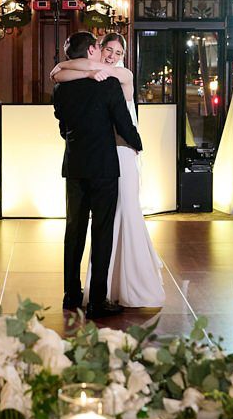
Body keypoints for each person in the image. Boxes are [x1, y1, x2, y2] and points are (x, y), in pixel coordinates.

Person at [50, 32, 165, 308]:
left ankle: (71, 294)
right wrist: (138, 144)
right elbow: (124, 124)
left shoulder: (62, 87)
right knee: (102, 231)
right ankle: (97, 301)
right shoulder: (108, 85)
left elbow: (62, 124)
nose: (110, 55)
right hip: (105, 164)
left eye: (116, 51)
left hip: (76, 165)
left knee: (74, 231)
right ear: (94, 49)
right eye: (105, 49)